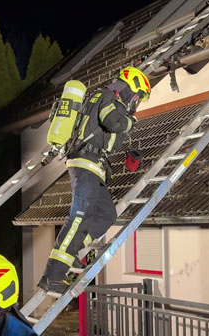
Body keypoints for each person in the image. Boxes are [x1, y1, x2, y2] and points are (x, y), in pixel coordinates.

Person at [38, 66, 151, 293]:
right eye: (137, 96)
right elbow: (113, 122)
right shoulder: (107, 95)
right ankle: (53, 276)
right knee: (79, 217)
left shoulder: (108, 98)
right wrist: (132, 121)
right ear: (131, 86)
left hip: (95, 165)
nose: (136, 101)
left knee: (106, 215)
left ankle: (72, 251)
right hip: (85, 162)